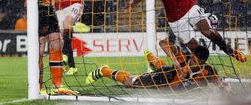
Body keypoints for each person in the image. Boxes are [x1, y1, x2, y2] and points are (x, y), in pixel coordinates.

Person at [86, 45, 230, 92]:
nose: (193, 63)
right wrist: (177, 64)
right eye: (192, 59)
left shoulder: (208, 71)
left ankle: (150, 56)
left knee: (160, 65)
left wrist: (223, 86)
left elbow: (217, 81)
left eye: (197, 62)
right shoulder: (183, 58)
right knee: (132, 82)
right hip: (164, 78)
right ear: (191, 55)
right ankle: (104, 70)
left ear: (203, 62)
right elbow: (164, 42)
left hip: (171, 78)